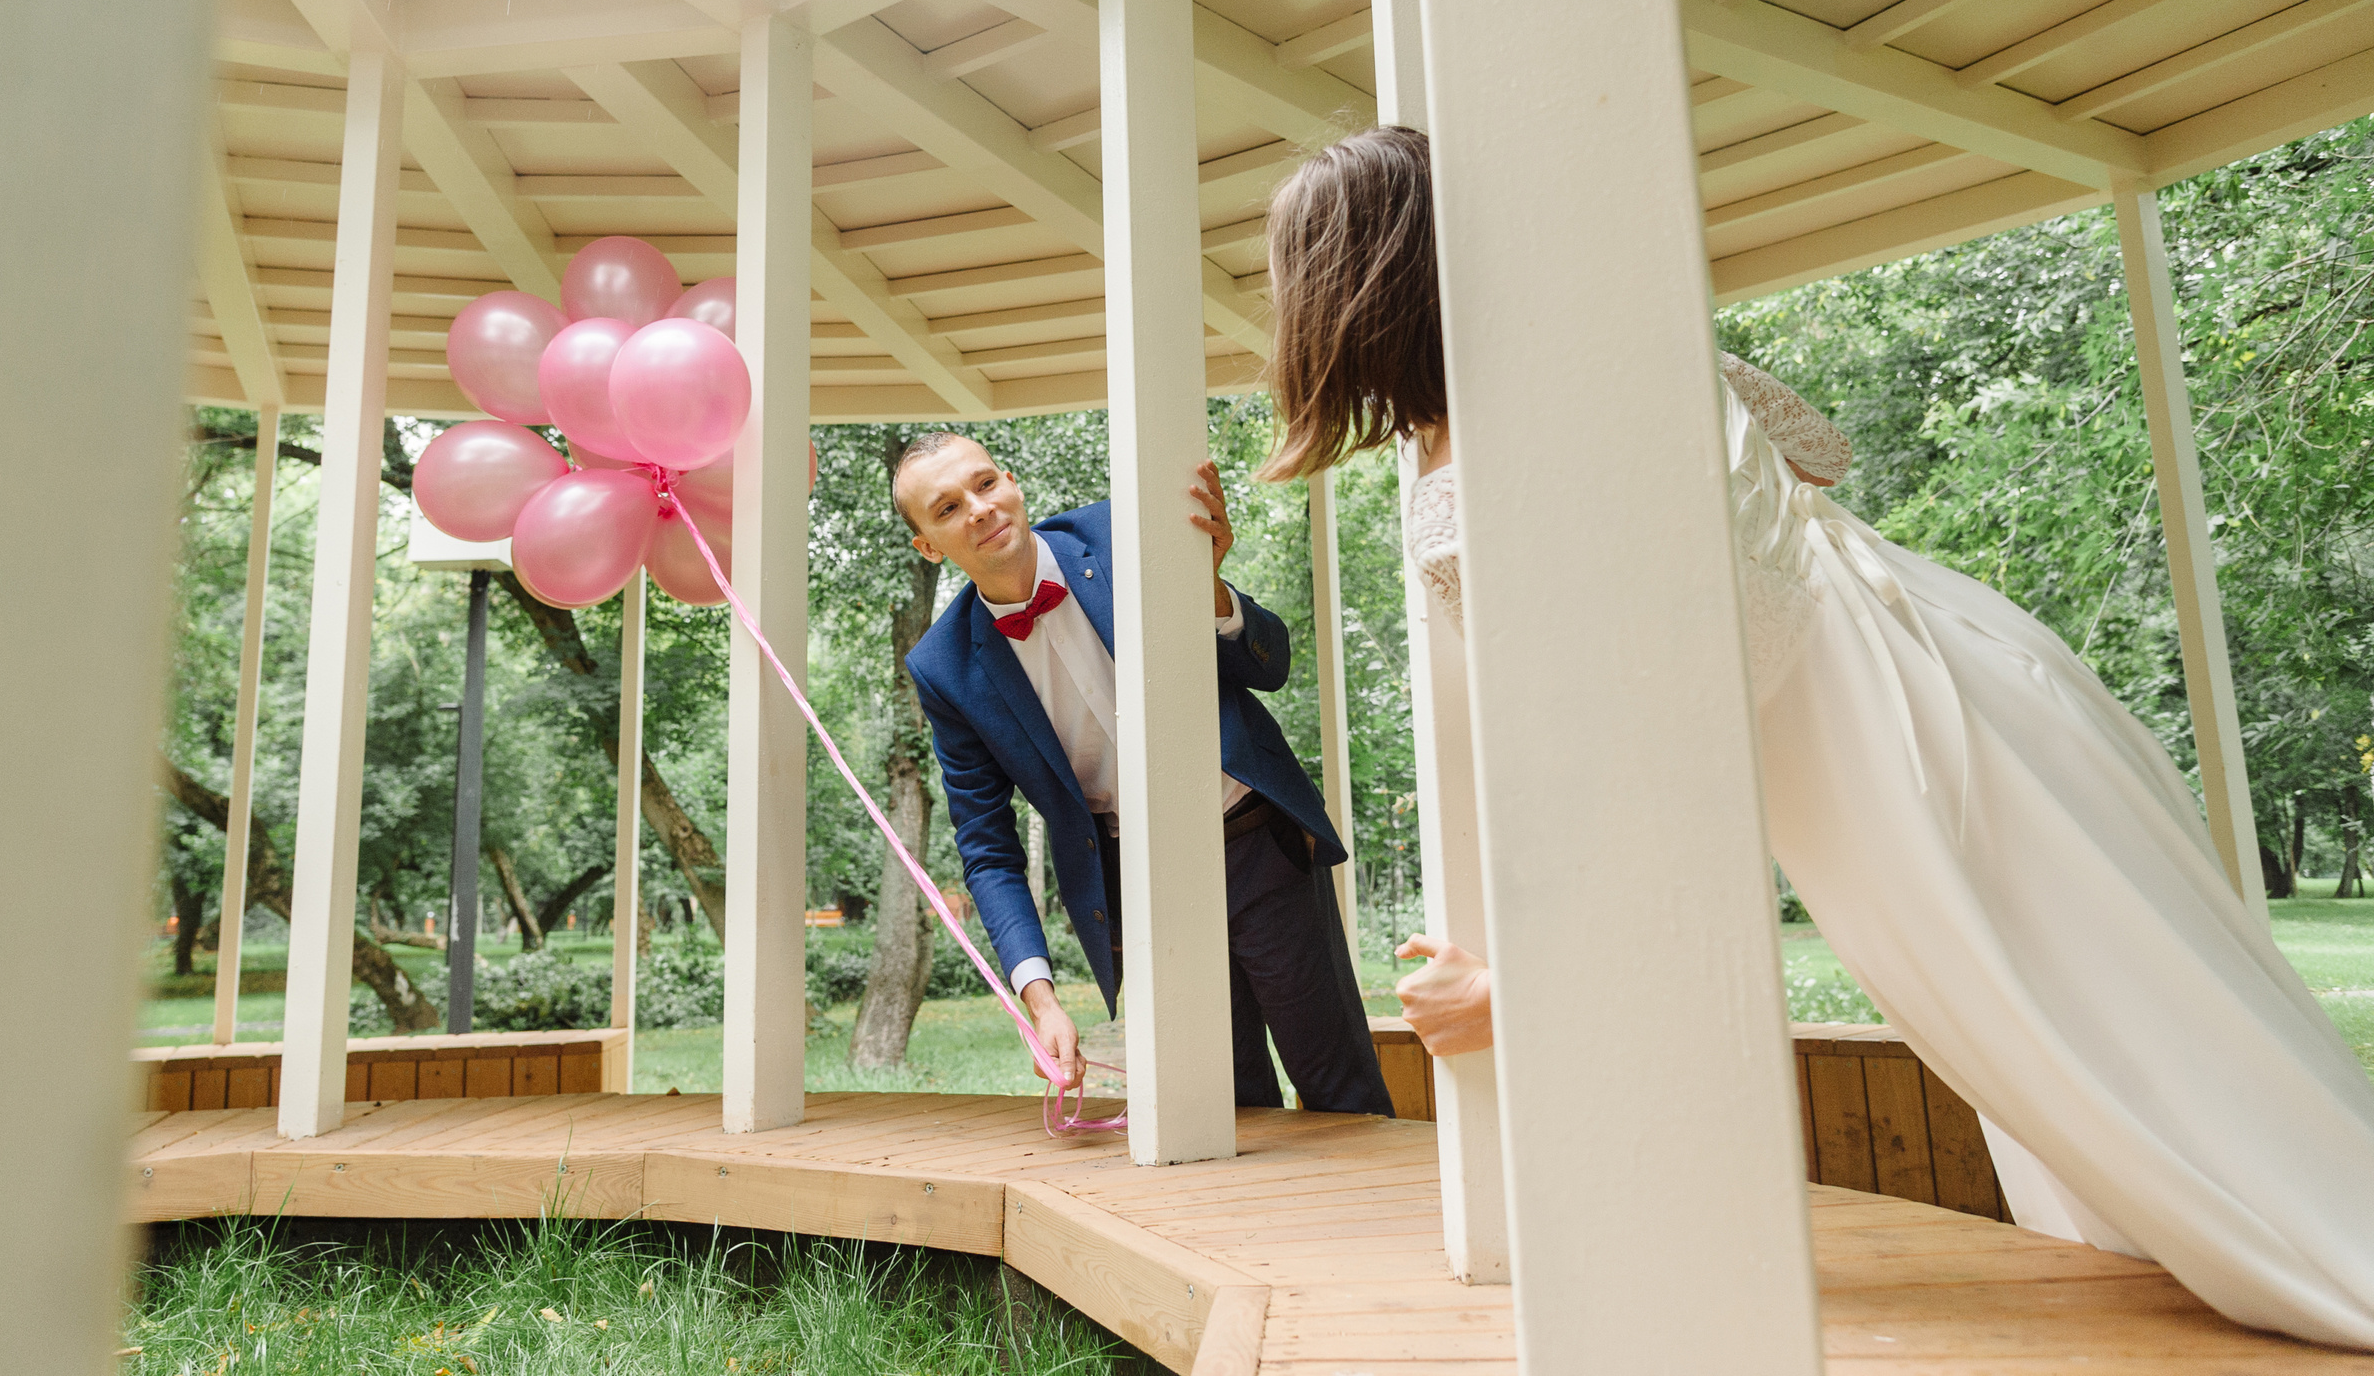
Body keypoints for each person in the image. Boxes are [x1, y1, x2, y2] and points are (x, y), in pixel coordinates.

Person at [1256, 123, 2374, 1349]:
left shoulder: (1485, 479)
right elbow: (1821, 457)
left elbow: (1641, 756)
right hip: (1960, 654)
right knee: (2143, 996)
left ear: (1349, 290)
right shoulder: (1609, 349)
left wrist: (1527, 985)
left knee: (2094, 1011)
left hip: (1880, 752)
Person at [894, 432, 1392, 1117]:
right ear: (928, 545)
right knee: (1223, 1103)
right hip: (1140, 885)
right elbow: (986, 844)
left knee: (1342, 1089)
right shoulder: (942, 666)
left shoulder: (1121, 530)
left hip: (1256, 843)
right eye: (947, 508)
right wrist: (1040, 997)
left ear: (1012, 480)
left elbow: (1269, 666)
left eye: (984, 484)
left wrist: (1210, 588)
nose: (978, 509)